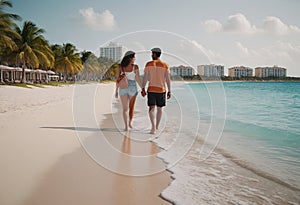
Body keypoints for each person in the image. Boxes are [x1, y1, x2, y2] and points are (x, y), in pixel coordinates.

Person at [141, 47, 171, 134]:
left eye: (152, 53)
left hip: (151, 89)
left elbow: (145, 78)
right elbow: (168, 79)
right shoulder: (165, 65)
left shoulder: (148, 64)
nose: (151, 55)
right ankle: (157, 127)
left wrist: (143, 88)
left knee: (151, 108)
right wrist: (169, 90)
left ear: (154, 54)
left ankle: (153, 128)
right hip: (161, 90)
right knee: (160, 109)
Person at [115, 51, 142, 131]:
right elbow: (138, 79)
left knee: (125, 109)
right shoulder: (135, 67)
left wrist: (116, 90)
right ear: (131, 58)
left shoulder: (120, 66)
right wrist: (143, 88)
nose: (135, 59)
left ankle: (126, 126)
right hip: (132, 87)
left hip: (123, 87)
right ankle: (130, 123)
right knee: (131, 108)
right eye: (134, 57)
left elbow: (118, 79)